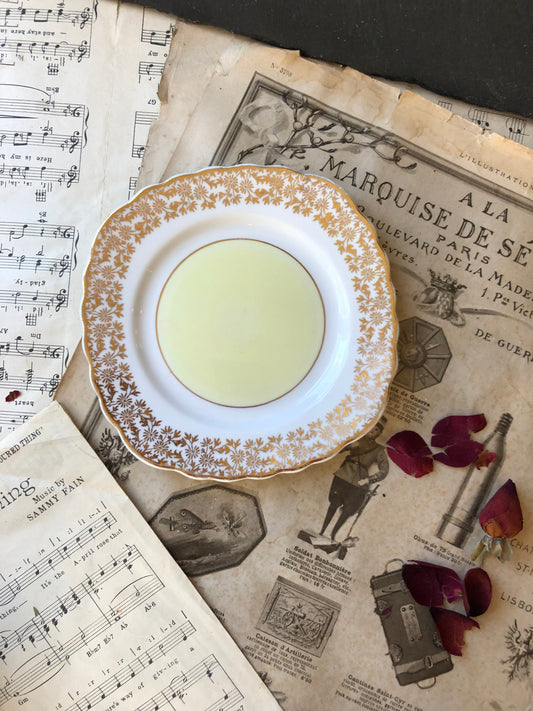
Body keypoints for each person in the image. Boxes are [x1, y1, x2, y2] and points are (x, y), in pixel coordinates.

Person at [320, 419, 388, 541]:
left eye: (377, 429)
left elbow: (384, 471)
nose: (373, 431)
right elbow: (335, 449)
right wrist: (349, 445)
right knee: (334, 504)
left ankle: (332, 535)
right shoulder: (355, 438)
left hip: (359, 483)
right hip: (343, 475)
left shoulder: (379, 450)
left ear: (379, 433)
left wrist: (369, 480)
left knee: (347, 511)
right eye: (372, 427)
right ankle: (322, 531)